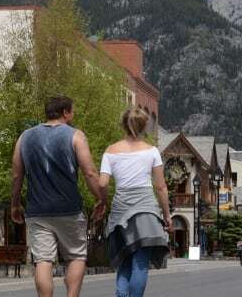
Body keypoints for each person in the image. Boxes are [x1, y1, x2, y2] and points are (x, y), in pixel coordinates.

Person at [10, 96, 107, 297]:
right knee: (76, 257)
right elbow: (90, 173)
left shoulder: (24, 137)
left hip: (37, 211)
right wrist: (101, 199)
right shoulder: (76, 136)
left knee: (43, 260)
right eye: (73, 111)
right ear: (65, 113)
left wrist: (15, 204)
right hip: (69, 209)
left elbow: (17, 174)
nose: (74, 114)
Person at [99, 107, 171, 297]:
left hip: (121, 211)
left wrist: (103, 203)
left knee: (124, 262)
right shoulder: (152, 151)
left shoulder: (110, 151)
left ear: (123, 125)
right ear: (144, 127)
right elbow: (161, 187)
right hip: (146, 210)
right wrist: (167, 215)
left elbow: (102, 183)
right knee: (140, 263)